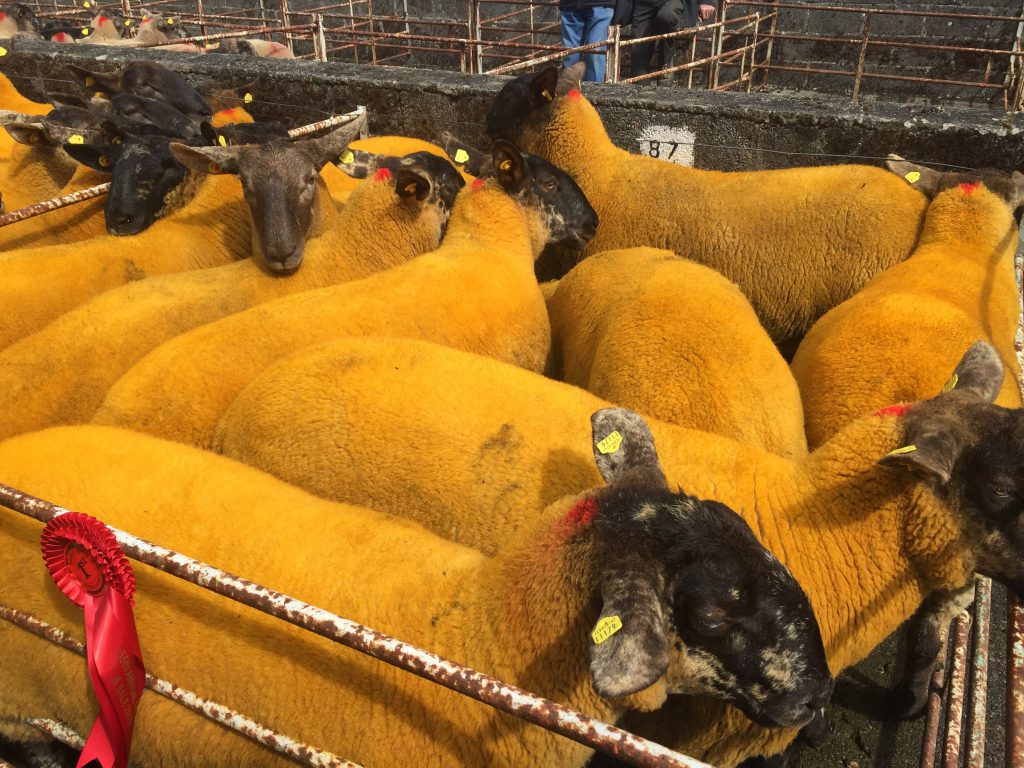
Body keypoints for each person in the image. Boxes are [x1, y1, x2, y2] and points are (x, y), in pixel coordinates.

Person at [629, 0, 715, 79]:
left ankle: (666, 67)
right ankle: (640, 88)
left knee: (667, 15)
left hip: (673, 2)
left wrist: (705, 1)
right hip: (644, 3)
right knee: (638, 54)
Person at [559, 0, 616, 83]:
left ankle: (593, 89)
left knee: (594, 55)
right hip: (571, 6)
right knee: (571, 57)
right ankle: (571, 89)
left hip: (599, 5)